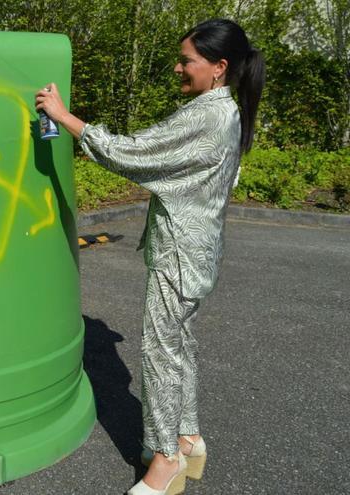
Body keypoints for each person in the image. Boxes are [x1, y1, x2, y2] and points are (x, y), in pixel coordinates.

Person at [36, 18, 264, 495]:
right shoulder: (229, 111)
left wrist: (64, 116)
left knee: (162, 354)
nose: (179, 68)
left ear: (219, 68)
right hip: (199, 251)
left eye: (187, 61)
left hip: (179, 254)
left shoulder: (206, 114)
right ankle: (188, 438)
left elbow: (131, 152)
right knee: (179, 345)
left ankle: (165, 461)